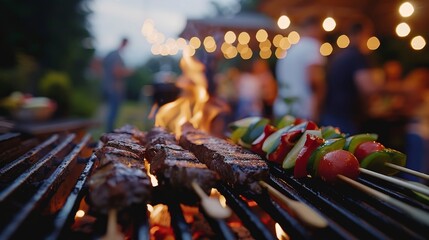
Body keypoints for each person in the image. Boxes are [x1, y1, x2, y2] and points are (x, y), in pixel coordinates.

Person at [320, 21, 380, 135]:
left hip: (329, 113)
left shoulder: (338, 55)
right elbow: (368, 88)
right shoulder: (356, 56)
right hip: (345, 117)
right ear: (363, 34)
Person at [274, 15, 326, 122]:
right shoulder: (312, 46)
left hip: (282, 108)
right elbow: (314, 80)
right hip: (302, 111)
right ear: (315, 28)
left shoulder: (289, 49)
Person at [102, 37, 133, 132]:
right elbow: (116, 72)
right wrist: (128, 72)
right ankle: (109, 132)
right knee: (113, 112)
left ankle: (109, 131)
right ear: (124, 43)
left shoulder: (111, 54)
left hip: (109, 87)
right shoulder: (116, 55)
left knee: (112, 111)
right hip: (114, 88)